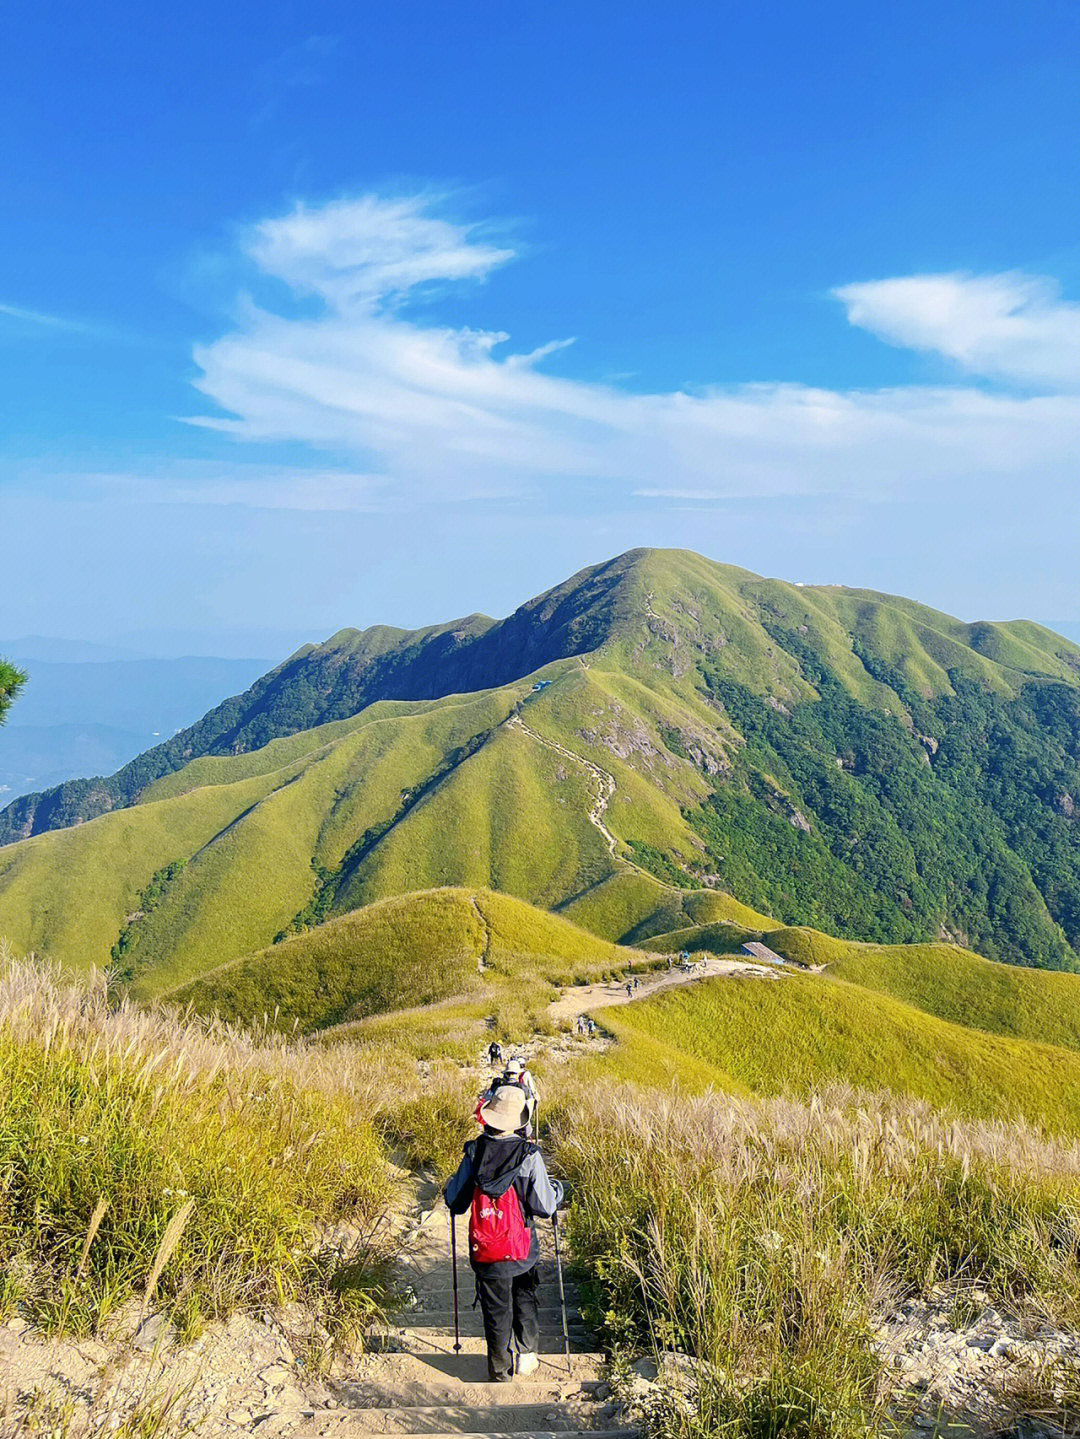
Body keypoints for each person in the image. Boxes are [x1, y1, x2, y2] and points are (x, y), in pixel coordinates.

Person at [444, 1085, 564, 1382]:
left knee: (495, 1311)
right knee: (524, 1298)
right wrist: (558, 1192)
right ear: (519, 1120)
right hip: (521, 1248)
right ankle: (526, 1357)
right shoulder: (528, 1154)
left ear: (490, 1116)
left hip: (486, 1251)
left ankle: (499, 1372)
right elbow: (544, 1206)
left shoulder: (474, 1152)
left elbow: (455, 1202)